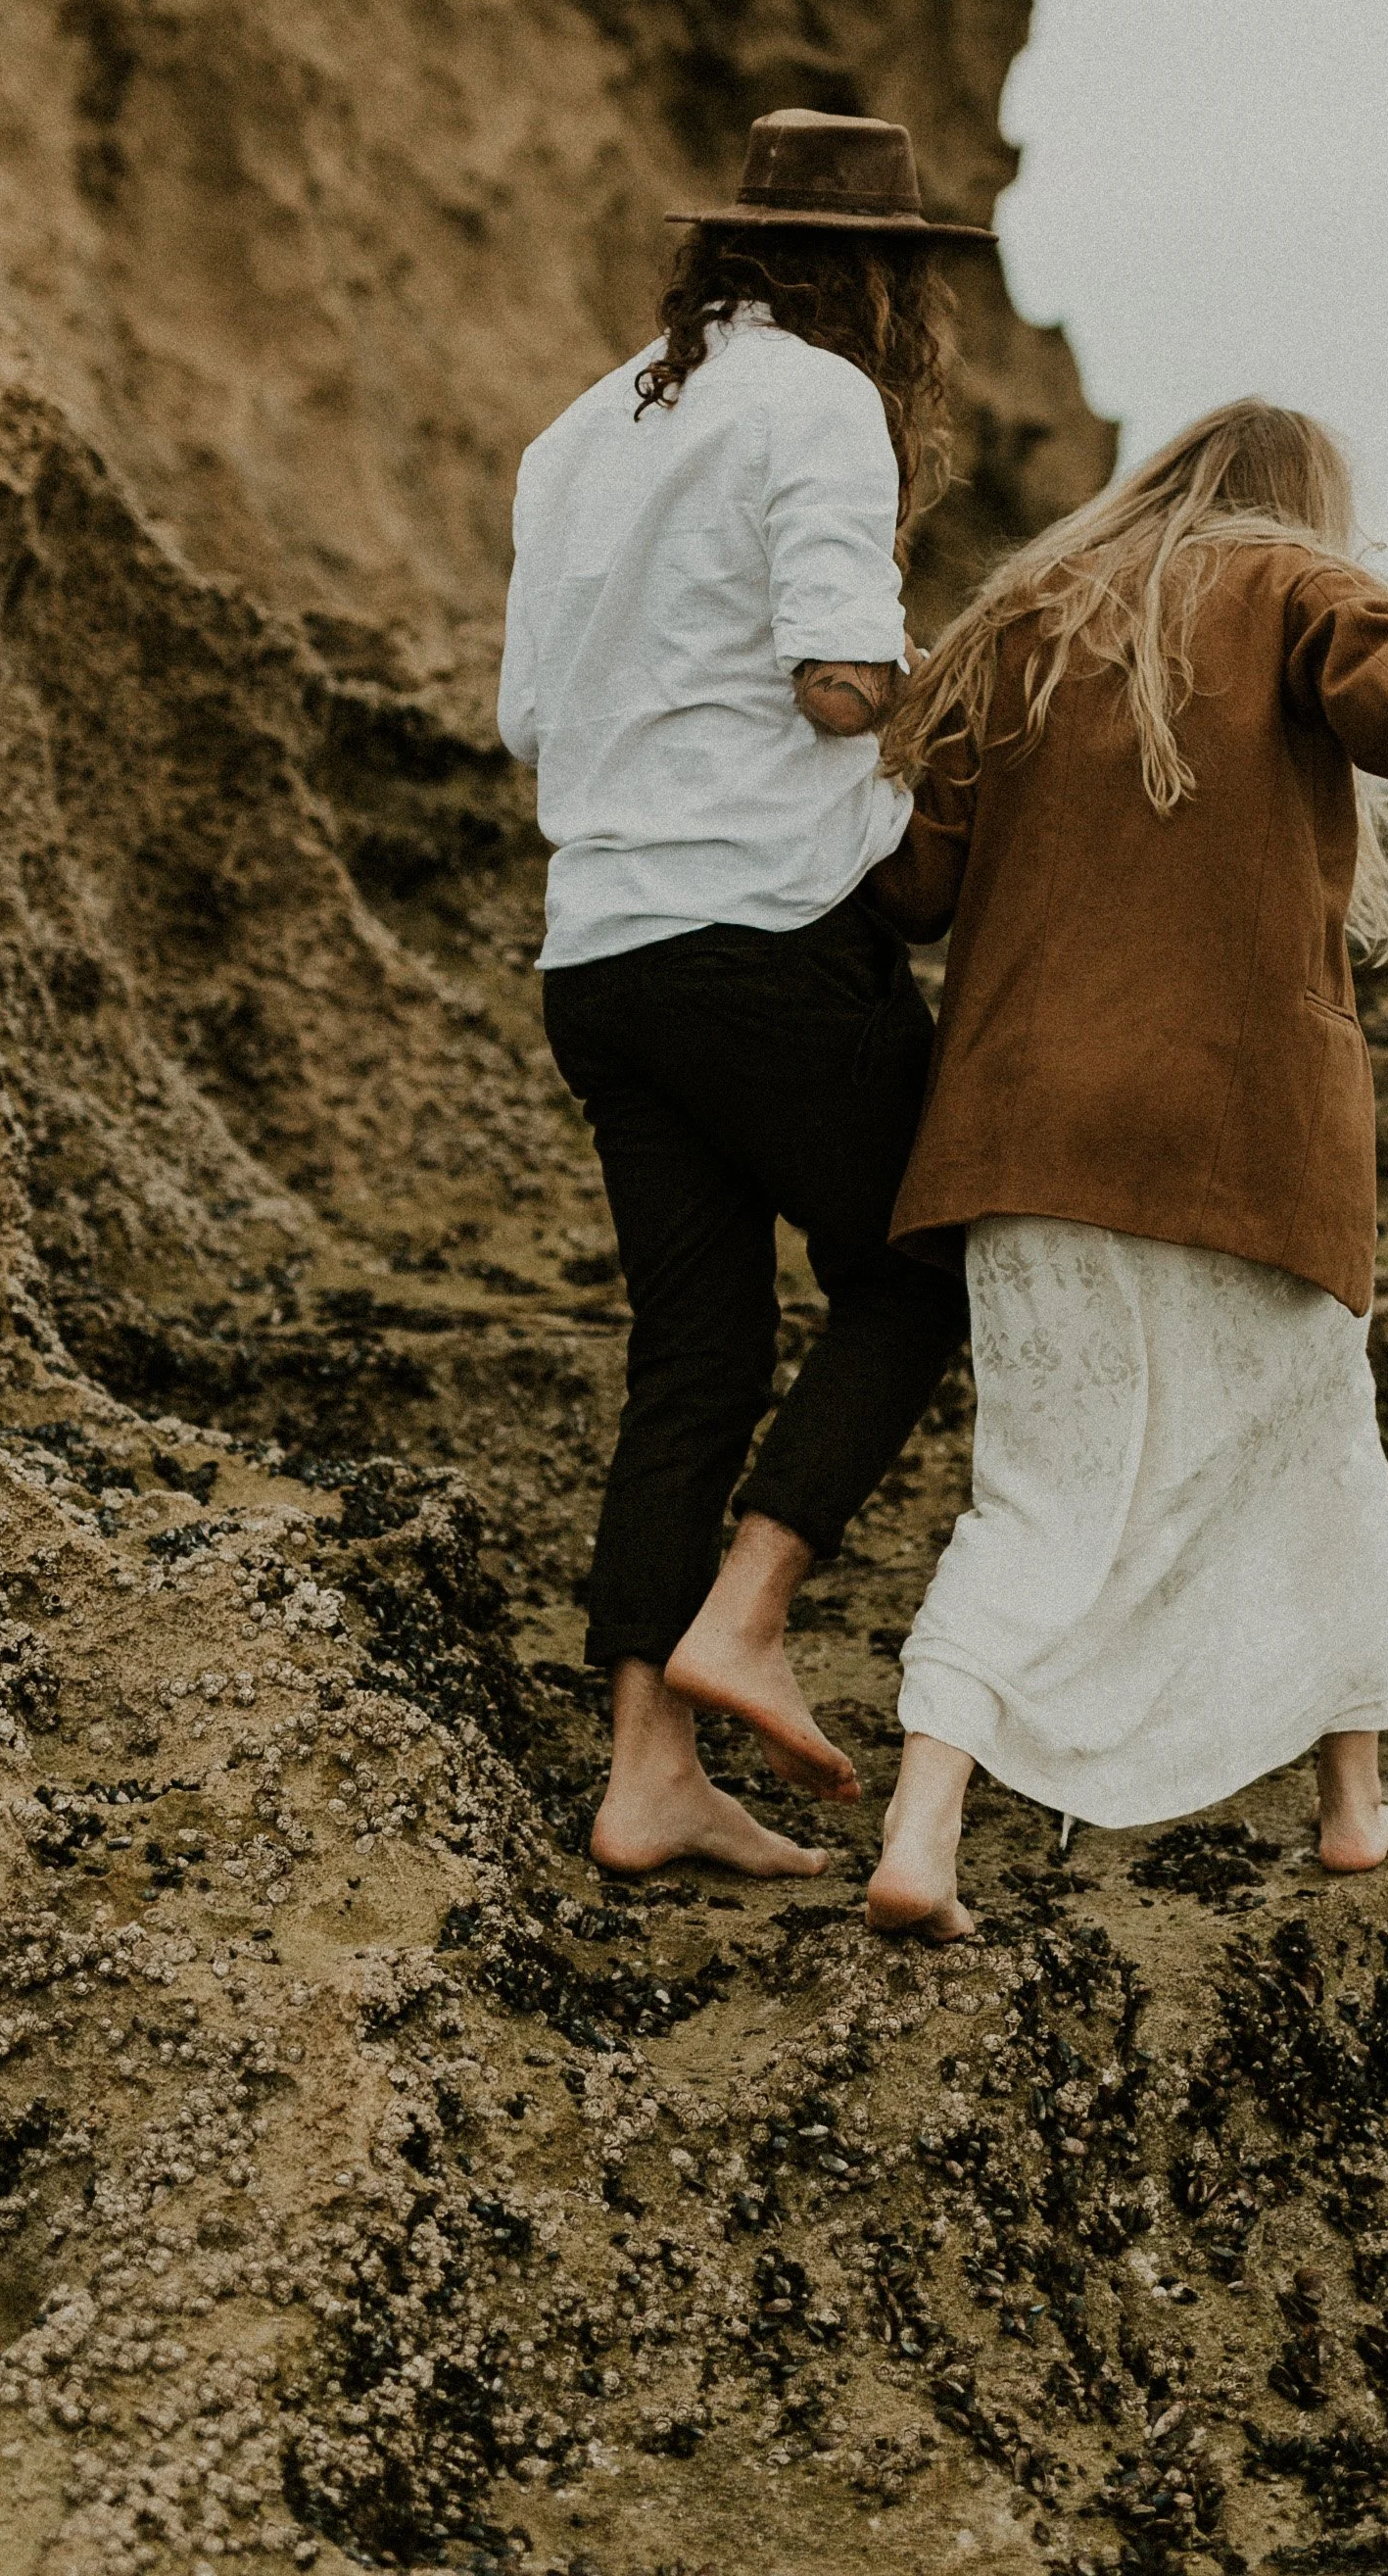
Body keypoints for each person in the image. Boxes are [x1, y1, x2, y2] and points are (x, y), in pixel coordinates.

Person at [857, 399, 1388, 1939]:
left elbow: (913, 888)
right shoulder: (1303, 587)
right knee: (1316, 1454)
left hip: (1022, 1127)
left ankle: (920, 1831)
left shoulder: (1026, 622)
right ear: (1305, 502)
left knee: (1035, 1492)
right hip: (1238, 1122)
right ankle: (1352, 1806)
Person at [498, 109, 993, 1879]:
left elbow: (528, 723)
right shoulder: (820, 405)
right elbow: (844, 684)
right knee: (924, 1265)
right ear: (879, 278)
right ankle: (752, 1612)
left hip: (601, 954)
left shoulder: (583, 427)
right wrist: (976, 702)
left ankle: (647, 1775)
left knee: (691, 1352)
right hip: (764, 942)